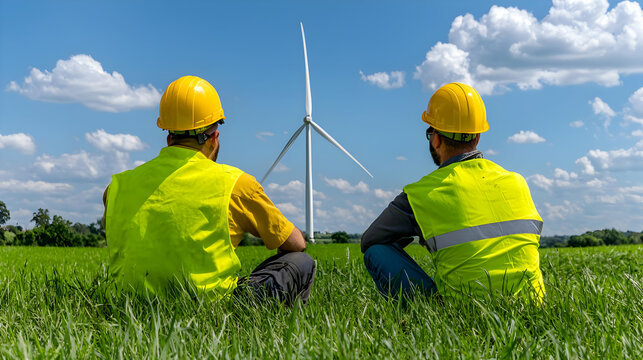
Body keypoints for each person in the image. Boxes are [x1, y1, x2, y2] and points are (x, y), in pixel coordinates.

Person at [103, 75, 315, 304]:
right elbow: (296, 244)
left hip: (128, 303)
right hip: (211, 306)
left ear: (168, 137)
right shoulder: (236, 184)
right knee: (300, 262)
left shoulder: (116, 187)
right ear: (214, 137)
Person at [361, 83, 545, 302]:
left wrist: (423, 234)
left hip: (461, 311)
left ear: (435, 139)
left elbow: (369, 240)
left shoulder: (421, 193)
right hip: (531, 306)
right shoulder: (517, 182)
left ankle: (425, 313)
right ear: (477, 137)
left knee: (376, 251)